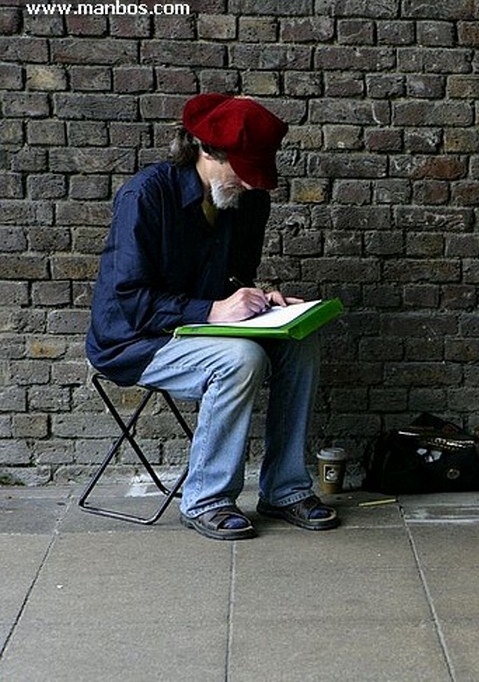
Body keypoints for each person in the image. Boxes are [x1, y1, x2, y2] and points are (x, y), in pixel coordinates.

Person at [86, 93, 339, 540]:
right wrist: (215, 309)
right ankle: (206, 498)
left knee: (303, 341)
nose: (250, 183)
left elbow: (233, 279)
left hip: (205, 330)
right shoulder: (145, 196)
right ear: (207, 151)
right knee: (242, 359)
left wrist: (261, 299)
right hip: (133, 340)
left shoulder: (247, 201)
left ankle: (284, 489)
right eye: (242, 170)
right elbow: (129, 298)